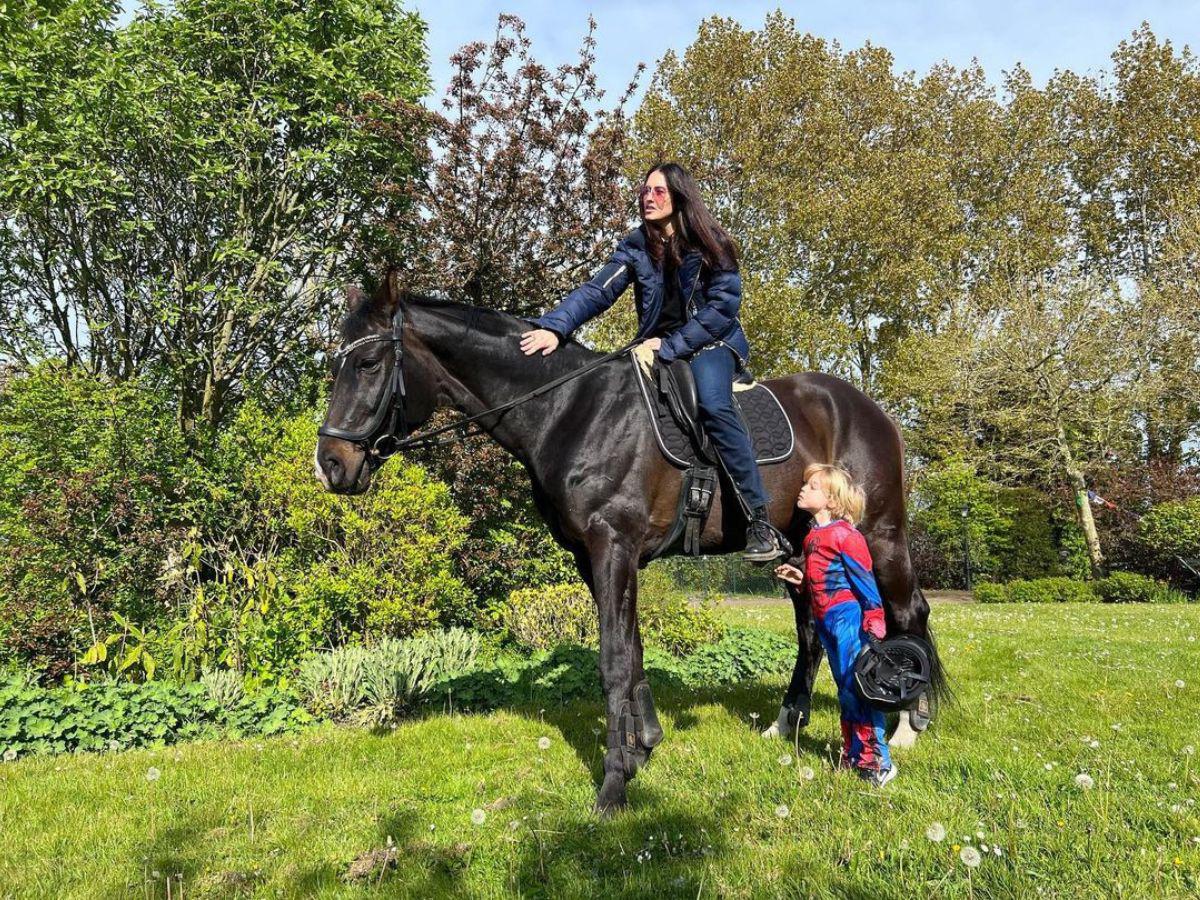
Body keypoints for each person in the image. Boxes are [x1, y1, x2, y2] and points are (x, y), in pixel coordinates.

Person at [518, 162, 782, 561]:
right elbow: (596, 292)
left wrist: (671, 346)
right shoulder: (637, 246)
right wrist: (554, 328)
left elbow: (721, 309)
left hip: (710, 344)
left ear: (679, 197)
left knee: (713, 404)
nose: (648, 198)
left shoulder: (711, 243)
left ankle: (758, 518)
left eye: (658, 191)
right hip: (656, 346)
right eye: (645, 191)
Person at [766, 462, 896, 787]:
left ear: (831, 501)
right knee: (846, 692)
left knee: (860, 690)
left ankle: (878, 763)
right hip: (826, 623)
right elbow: (819, 580)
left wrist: (874, 623)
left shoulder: (846, 536)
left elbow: (865, 584)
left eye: (812, 486)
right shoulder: (813, 536)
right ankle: (854, 755)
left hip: (848, 622)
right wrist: (799, 578)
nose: (803, 488)